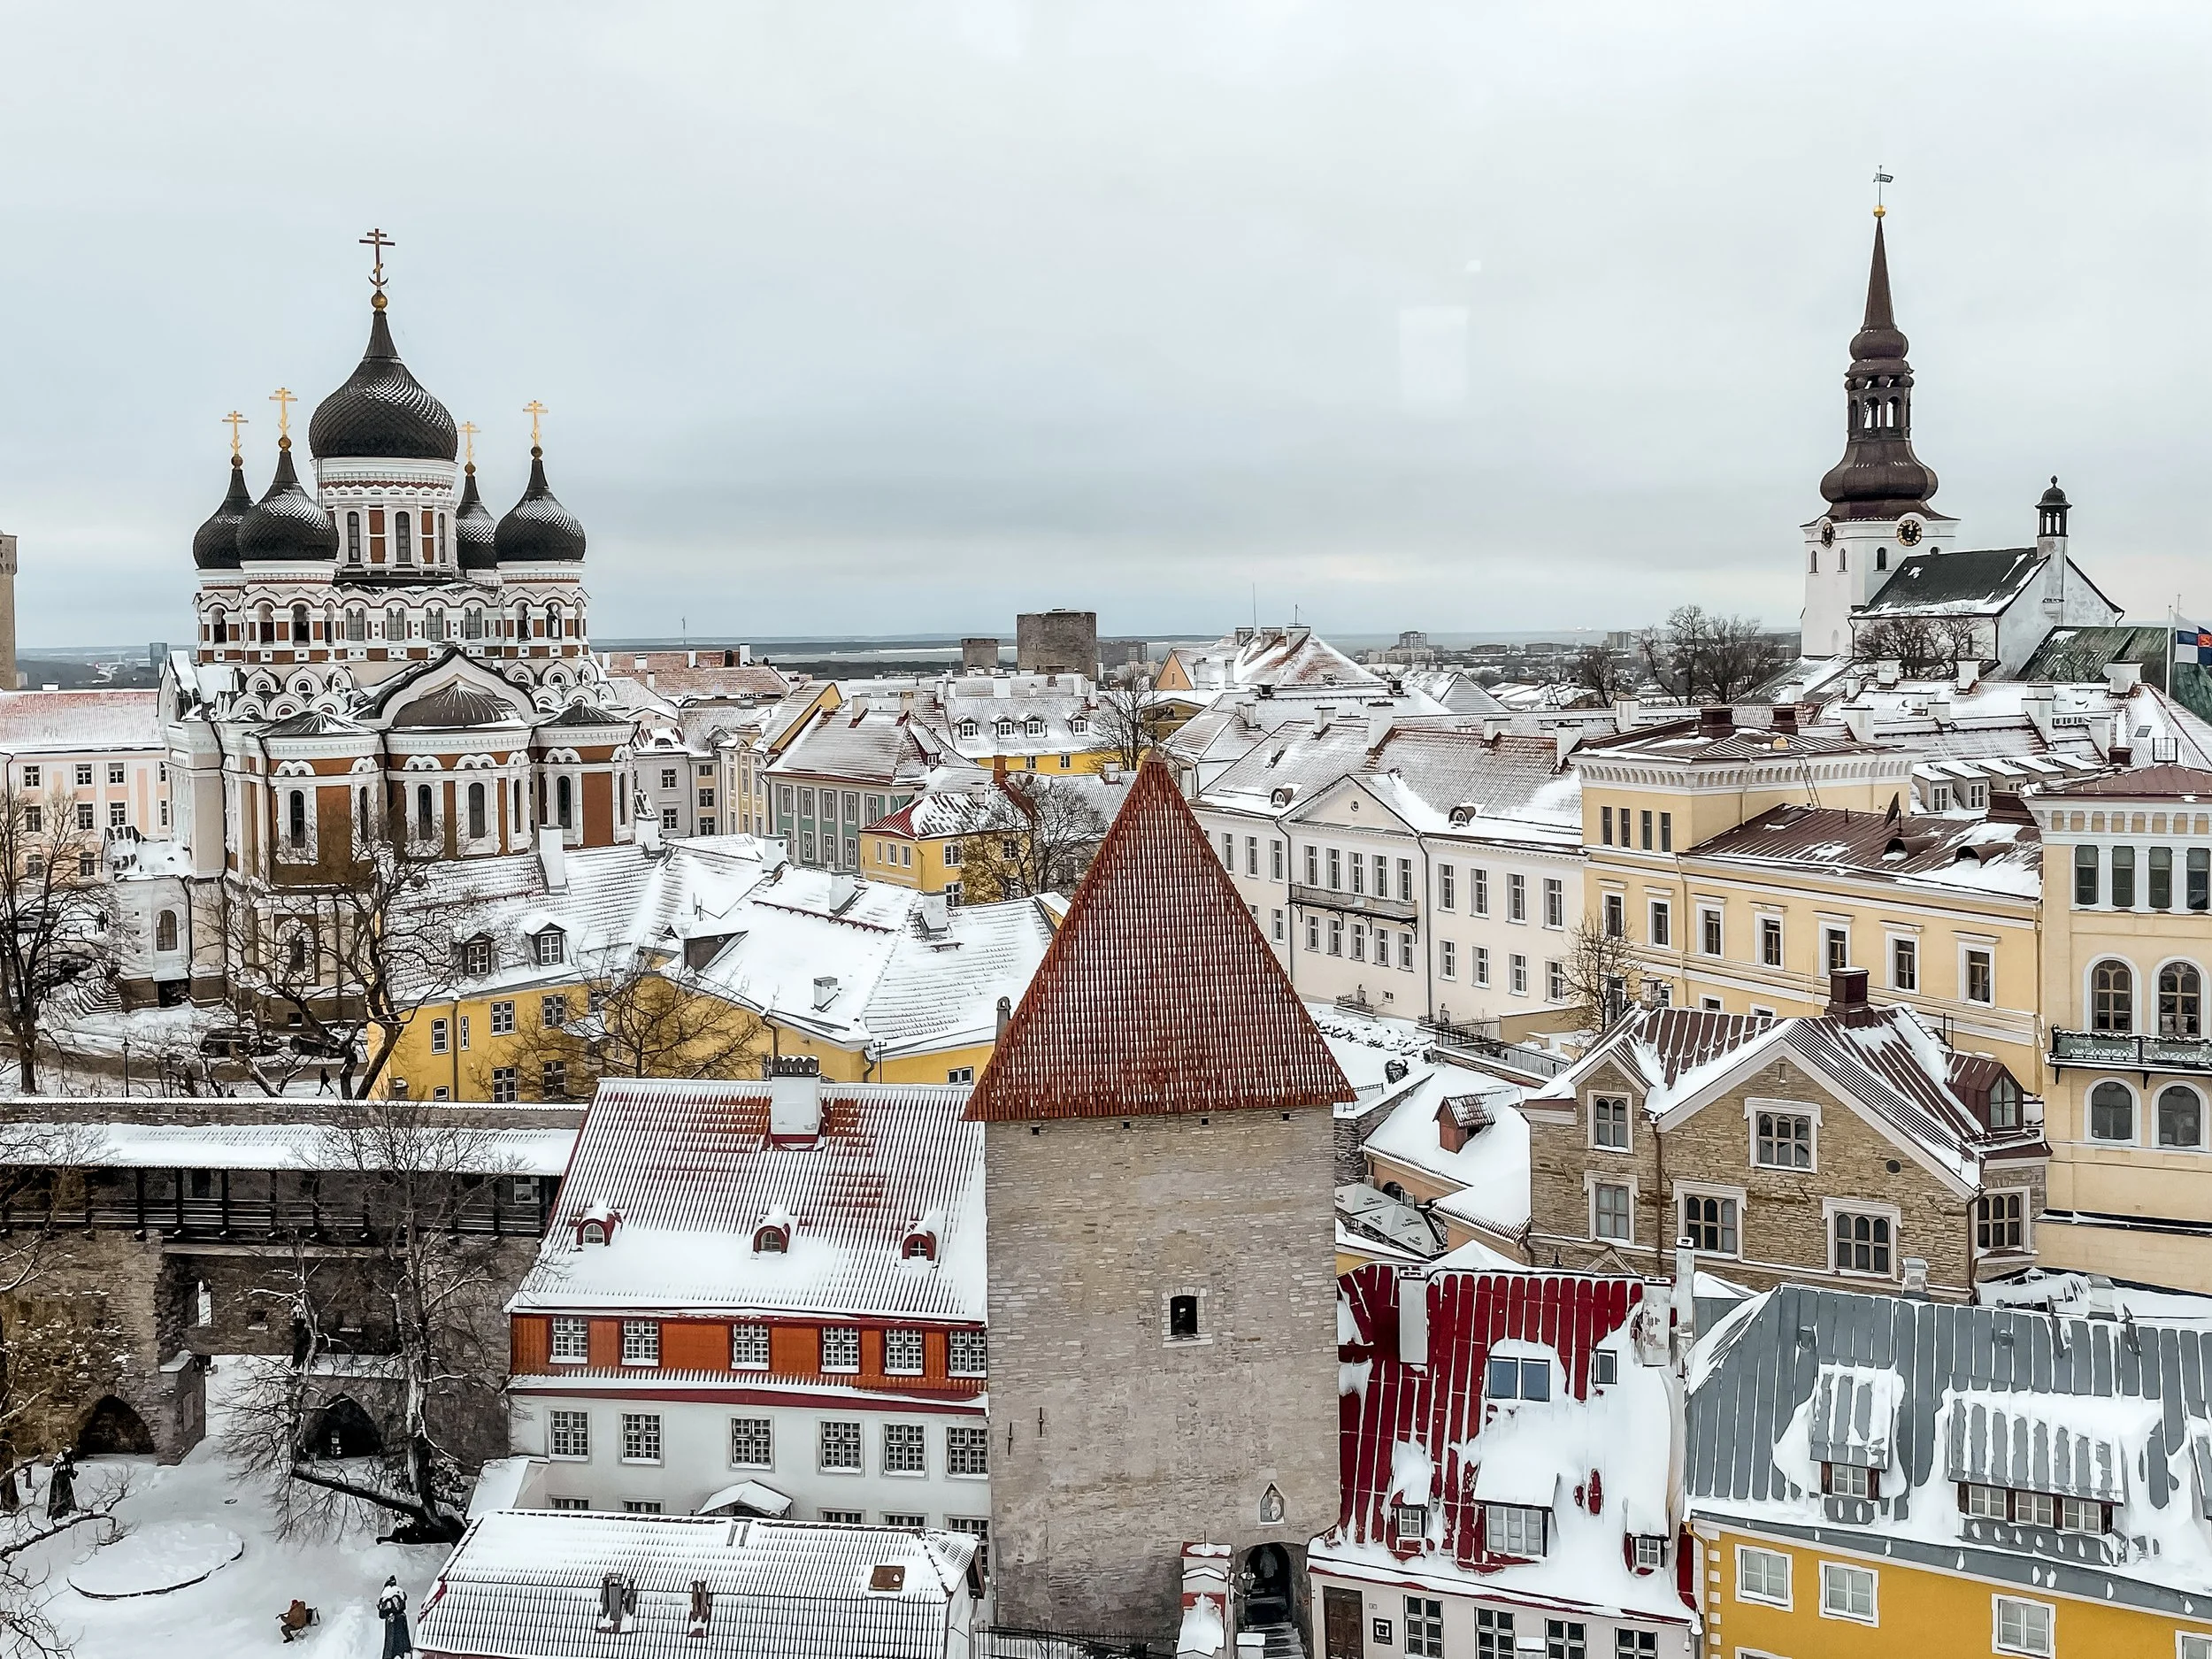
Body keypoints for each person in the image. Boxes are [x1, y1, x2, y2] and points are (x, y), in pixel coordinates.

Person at [378, 1577, 413, 1657]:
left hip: (392, 1621)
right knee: (404, 1645)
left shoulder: (386, 1593)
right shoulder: (399, 1592)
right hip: (401, 1619)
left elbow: (381, 1614)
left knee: (390, 1646)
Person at [46, 1451, 76, 1520]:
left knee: (64, 1495)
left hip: (64, 1482)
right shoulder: (60, 1462)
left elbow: (71, 1473)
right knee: (58, 1496)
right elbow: (56, 1471)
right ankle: (57, 1511)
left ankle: (63, 1510)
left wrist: (71, 1473)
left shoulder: (67, 1461)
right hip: (58, 1482)